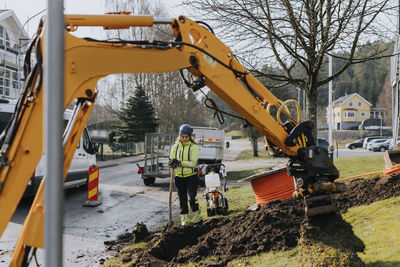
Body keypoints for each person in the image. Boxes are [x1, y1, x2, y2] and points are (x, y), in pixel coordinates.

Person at [169, 124, 203, 227]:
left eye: (186, 137)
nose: (184, 138)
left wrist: (179, 162)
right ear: (179, 136)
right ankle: (185, 221)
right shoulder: (175, 147)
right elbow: (171, 159)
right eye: (182, 136)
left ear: (190, 137)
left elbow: (193, 163)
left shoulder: (194, 147)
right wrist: (171, 163)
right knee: (182, 199)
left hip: (191, 177)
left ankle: (198, 220)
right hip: (179, 177)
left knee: (192, 199)